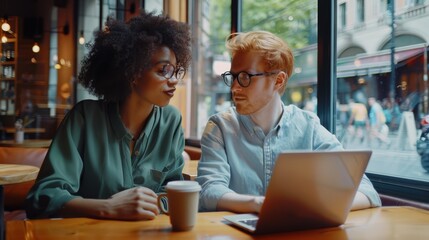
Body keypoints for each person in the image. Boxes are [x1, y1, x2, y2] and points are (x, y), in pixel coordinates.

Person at [25, 11, 191, 220]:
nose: (174, 80)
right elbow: (42, 197)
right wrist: (107, 207)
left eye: (176, 71)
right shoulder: (84, 118)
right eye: (164, 70)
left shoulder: (171, 121)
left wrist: (154, 202)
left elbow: (172, 192)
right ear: (133, 73)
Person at [196, 30, 381, 213]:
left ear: (278, 80)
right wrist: (260, 205)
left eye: (245, 77)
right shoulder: (220, 127)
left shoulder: (308, 127)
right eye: (233, 76)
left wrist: (313, 207)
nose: (235, 87)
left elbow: (366, 191)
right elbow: (209, 190)